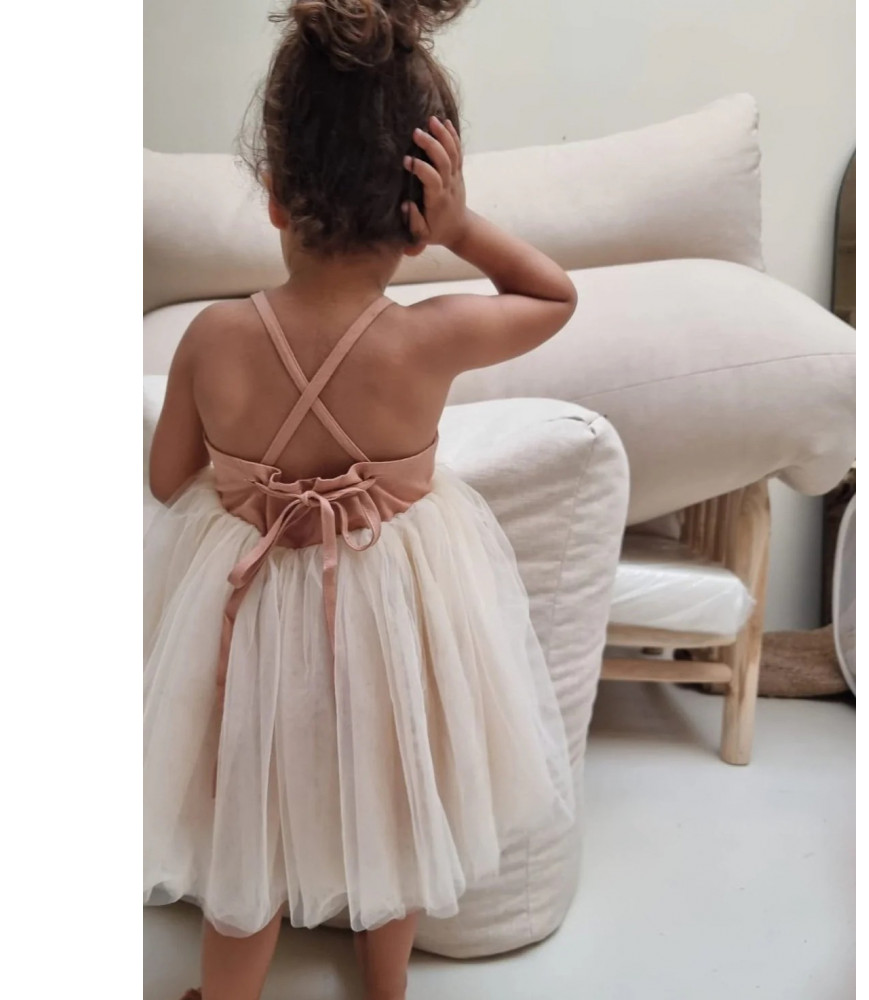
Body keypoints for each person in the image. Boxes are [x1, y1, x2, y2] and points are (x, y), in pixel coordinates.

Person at [144, 2, 578, 998]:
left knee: (243, 817)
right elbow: (554, 295)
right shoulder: (427, 338)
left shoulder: (213, 337)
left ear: (273, 196)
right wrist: (463, 226)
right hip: (388, 618)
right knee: (396, 790)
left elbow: (167, 480)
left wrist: (253, 480)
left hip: (247, 623)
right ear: (413, 218)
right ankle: (385, 984)